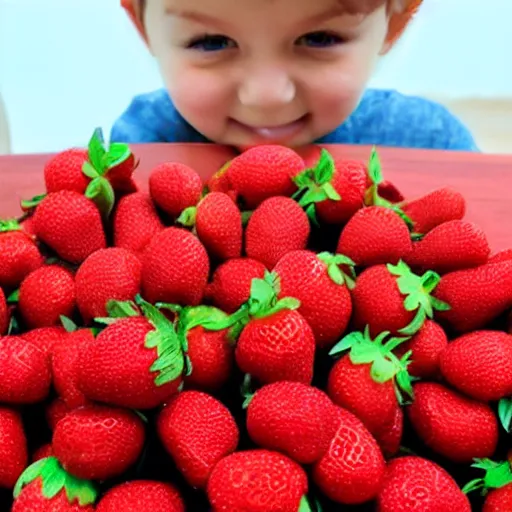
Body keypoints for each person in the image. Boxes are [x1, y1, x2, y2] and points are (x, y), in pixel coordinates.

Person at [111, 0, 478, 151]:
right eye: (212, 42)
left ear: (393, 24)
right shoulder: (145, 143)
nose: (267, 95)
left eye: (319, 38)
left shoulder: (430, 142)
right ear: (144, 28)